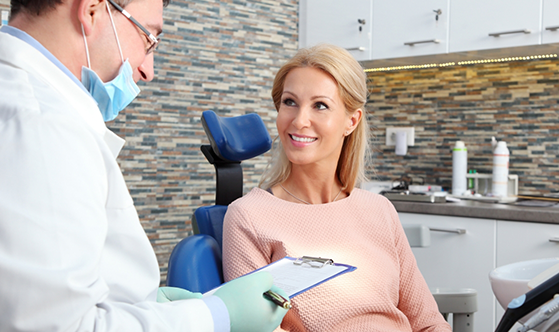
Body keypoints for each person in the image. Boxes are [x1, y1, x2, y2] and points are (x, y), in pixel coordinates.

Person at [0, 0, 288, 330]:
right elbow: (59, 325)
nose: (148, 71)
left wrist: (151, 307)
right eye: (148, 37)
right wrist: (215, 316)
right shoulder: (41, 127)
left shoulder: (29, 108)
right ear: (92, 10)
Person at [222, 44, 452, 332]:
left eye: (320, 105)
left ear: (351, 121)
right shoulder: (249, 217)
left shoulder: (379, 210)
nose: (299, 120)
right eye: (289, 102)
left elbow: (429, 323)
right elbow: (256, 327)